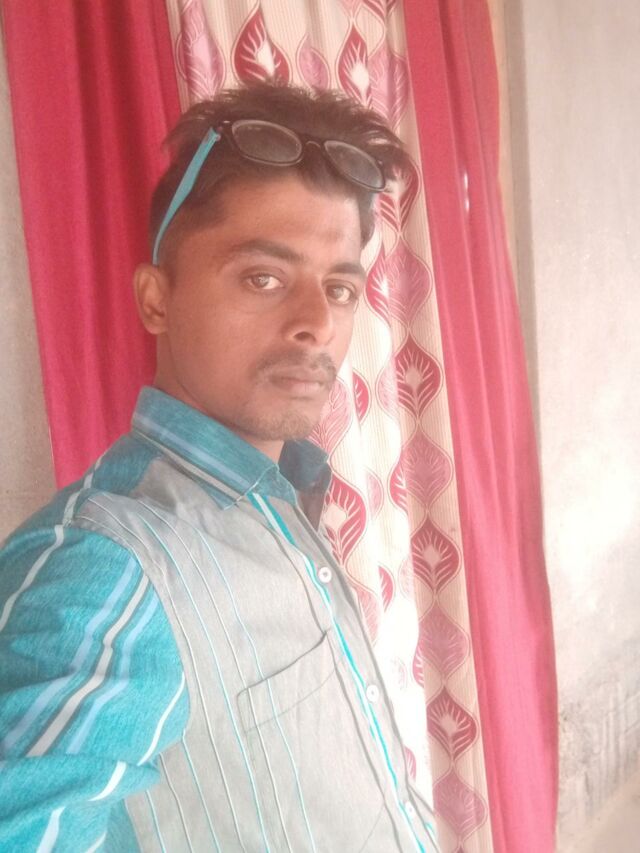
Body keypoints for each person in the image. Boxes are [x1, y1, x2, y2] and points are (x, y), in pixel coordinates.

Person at [0, 82, 438, 852]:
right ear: (155, 299)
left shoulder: (284, 495)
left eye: (339, 287)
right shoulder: (111, 568)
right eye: (263, 277)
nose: (316, 324)